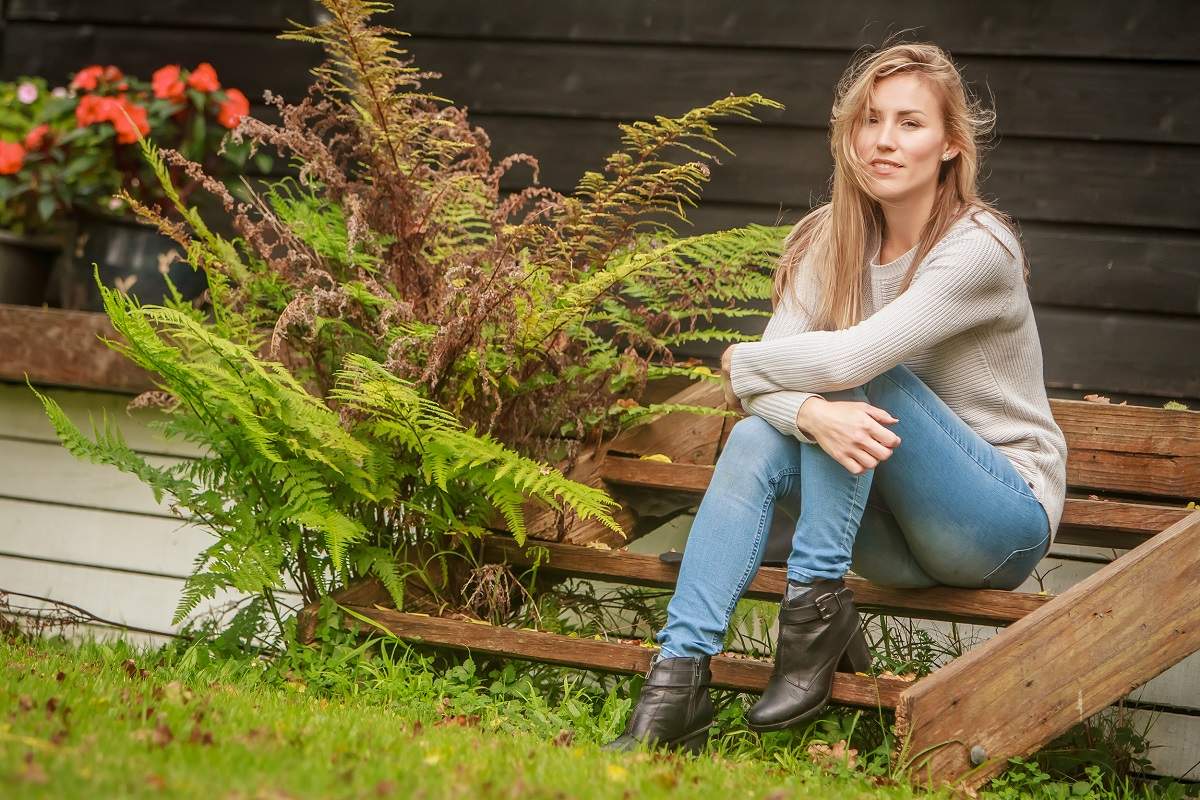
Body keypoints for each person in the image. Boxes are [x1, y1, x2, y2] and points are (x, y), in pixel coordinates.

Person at [602, 42, 1068, 754]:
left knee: (853, 368)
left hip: (995, 521)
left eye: (909, 124)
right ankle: (676, 683)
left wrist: (744, 362)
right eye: (869, 120)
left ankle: (810, 613)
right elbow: (777, 393)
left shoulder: (979, 246)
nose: (884, 140)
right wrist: (810, 412)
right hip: (885, 526)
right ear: (847, 134)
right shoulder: (828, 237)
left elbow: (846, 359)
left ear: (948, 145)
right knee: (762, 436)